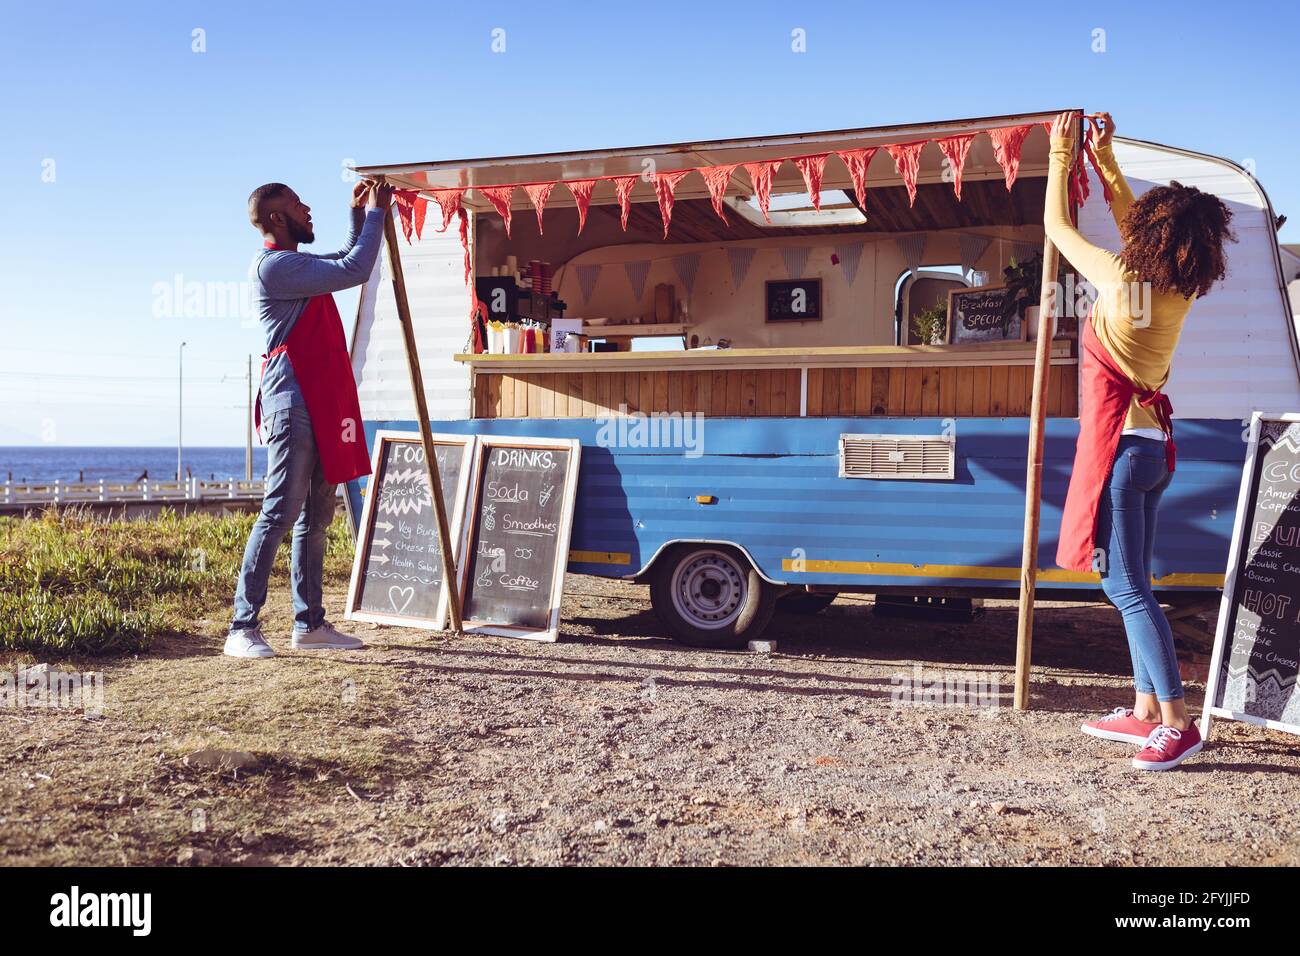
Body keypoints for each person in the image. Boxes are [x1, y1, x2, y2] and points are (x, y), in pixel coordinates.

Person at [1047, 111, 1235, 770]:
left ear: (1155, 238)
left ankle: (1178, 722)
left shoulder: (1121, 282)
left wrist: (1060, 153)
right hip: (1153, 450)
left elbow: (1054, 228)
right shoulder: (1178, 290)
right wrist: (1106, 164)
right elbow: (1139, 229)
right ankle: (1146, 709)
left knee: (1126, 588)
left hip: (1125, 455)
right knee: (1137, 583)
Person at [224, 178, 393, 659]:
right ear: (277, 218)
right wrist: (378, 213)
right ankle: (242, 627)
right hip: (293, 402)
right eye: (299, 206)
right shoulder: (275, 267)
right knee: (280, 510)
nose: (307, 210)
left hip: (320, 403)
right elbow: (355, 268)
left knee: (316, 516)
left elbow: (344, 257)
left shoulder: (296, 263)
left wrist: (359, 215)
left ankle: (310, 625)